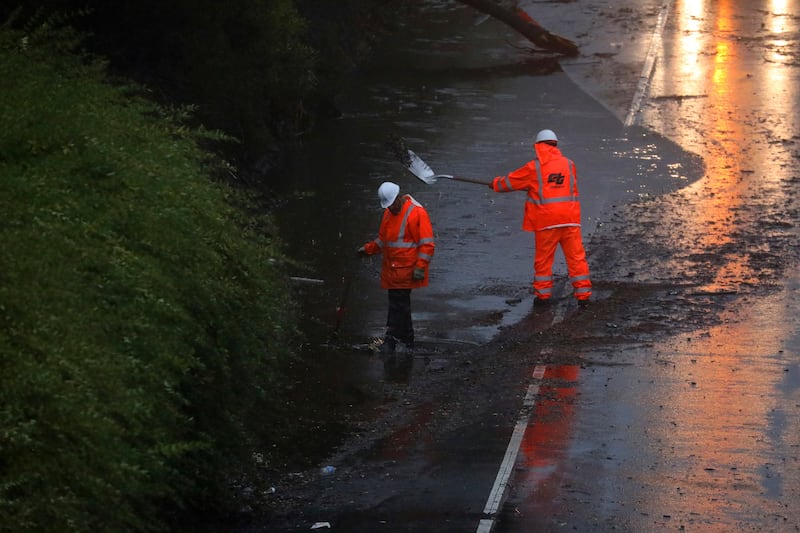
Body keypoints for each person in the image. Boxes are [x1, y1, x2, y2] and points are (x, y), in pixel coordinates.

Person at [489, 129, 592, 306]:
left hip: (547, 222)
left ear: (538, 146)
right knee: (576, 258)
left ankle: (543, 296)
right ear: (556, 145)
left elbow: (509, 182)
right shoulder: (569, 164)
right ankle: (583, 295)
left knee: (544, 260)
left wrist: (495, 184)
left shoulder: (534, 167)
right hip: (570, 219)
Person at [358, 182, 435, 354]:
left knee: (398, 305)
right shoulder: (388, 213)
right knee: (399, 305)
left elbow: (427, 244)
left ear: (399, 198)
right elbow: (383, 240)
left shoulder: (417, 213)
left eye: (392, 204)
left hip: (407, 269)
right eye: (388, 205)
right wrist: (369, 249)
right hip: (392, 270)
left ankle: (392, 340)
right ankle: (406, 341)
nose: (391, 208)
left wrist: (420, 267)